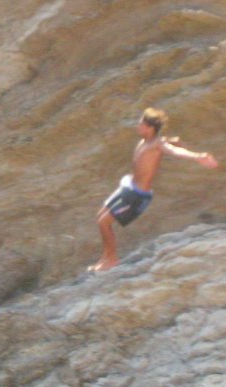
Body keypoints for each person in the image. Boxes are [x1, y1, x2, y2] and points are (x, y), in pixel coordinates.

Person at [90, 107, 218, 272]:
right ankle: (106, 257)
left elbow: (174, 151)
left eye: (141, 124)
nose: (138, 126)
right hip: (128, 186)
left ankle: (112, 259)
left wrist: (198, 157)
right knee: (100, 216)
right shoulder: (146, 141)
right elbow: (169, 142)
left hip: (137, 195)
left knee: (104, 222)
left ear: (150, 128)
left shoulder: (157, 144)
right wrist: (174, 139)